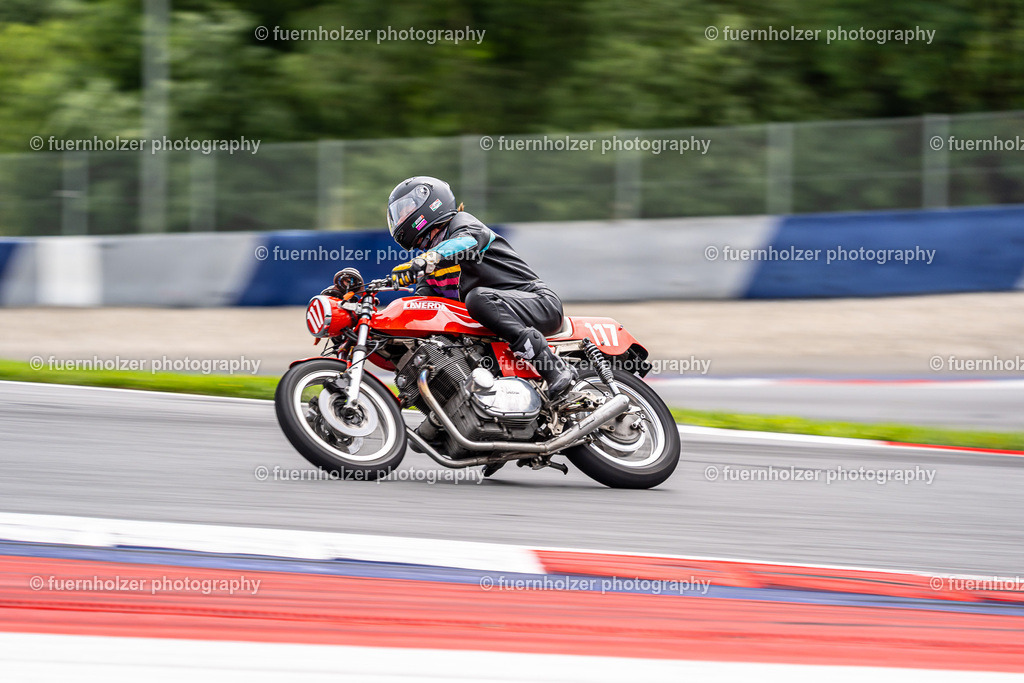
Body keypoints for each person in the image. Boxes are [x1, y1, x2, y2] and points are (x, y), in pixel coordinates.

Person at [386, 175, 575, 398]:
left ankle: (554, 368)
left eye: (407, 209)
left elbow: (468, 240)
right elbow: (420, 310)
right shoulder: (431, 270)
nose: (402, 217)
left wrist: (428, 258)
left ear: (431, 202)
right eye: (399, 214)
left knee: (477, 298)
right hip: (496, 320)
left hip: (538, 303)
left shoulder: (462, 225)